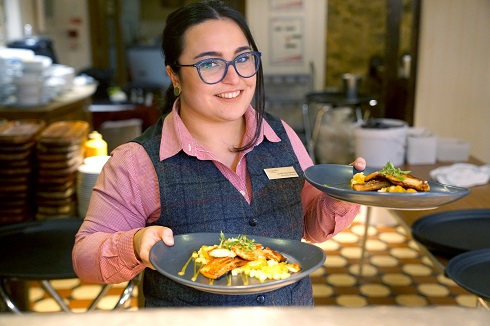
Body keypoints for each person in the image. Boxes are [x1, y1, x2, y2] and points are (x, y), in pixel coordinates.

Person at [73, 0, 366, 307]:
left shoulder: (282, 136)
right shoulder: (137, 161)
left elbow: (312, 225)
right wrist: (132, 245)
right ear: (174, 75)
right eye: (209, 63)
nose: (234, 78)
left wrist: (341, 194)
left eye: (243, 58)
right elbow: (84, 257)